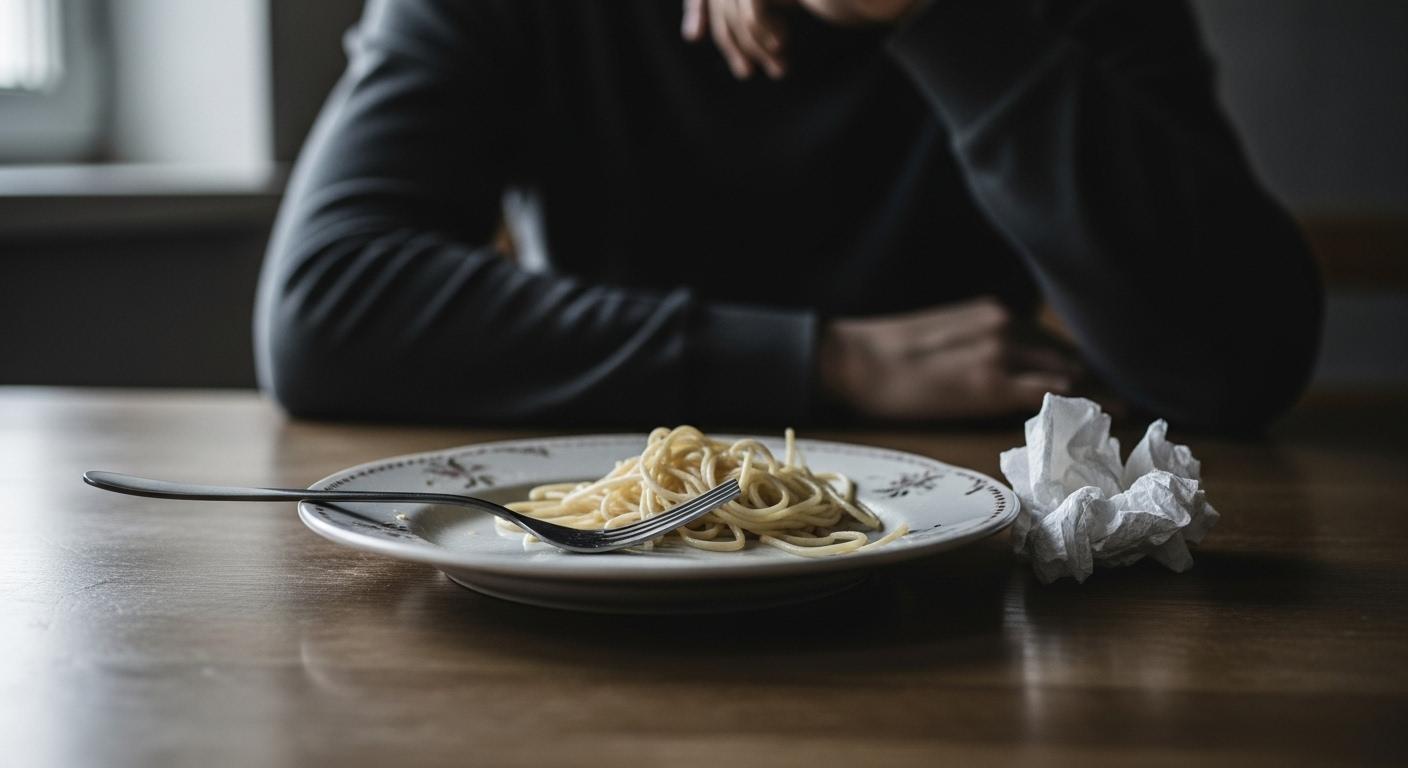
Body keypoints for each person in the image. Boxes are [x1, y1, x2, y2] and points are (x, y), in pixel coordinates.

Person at [254, 0, 1322, 431]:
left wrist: (928, 12)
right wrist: (831, 363)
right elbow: (325, 310)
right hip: (618, 537)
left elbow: (1237, 362)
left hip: (982, 563)